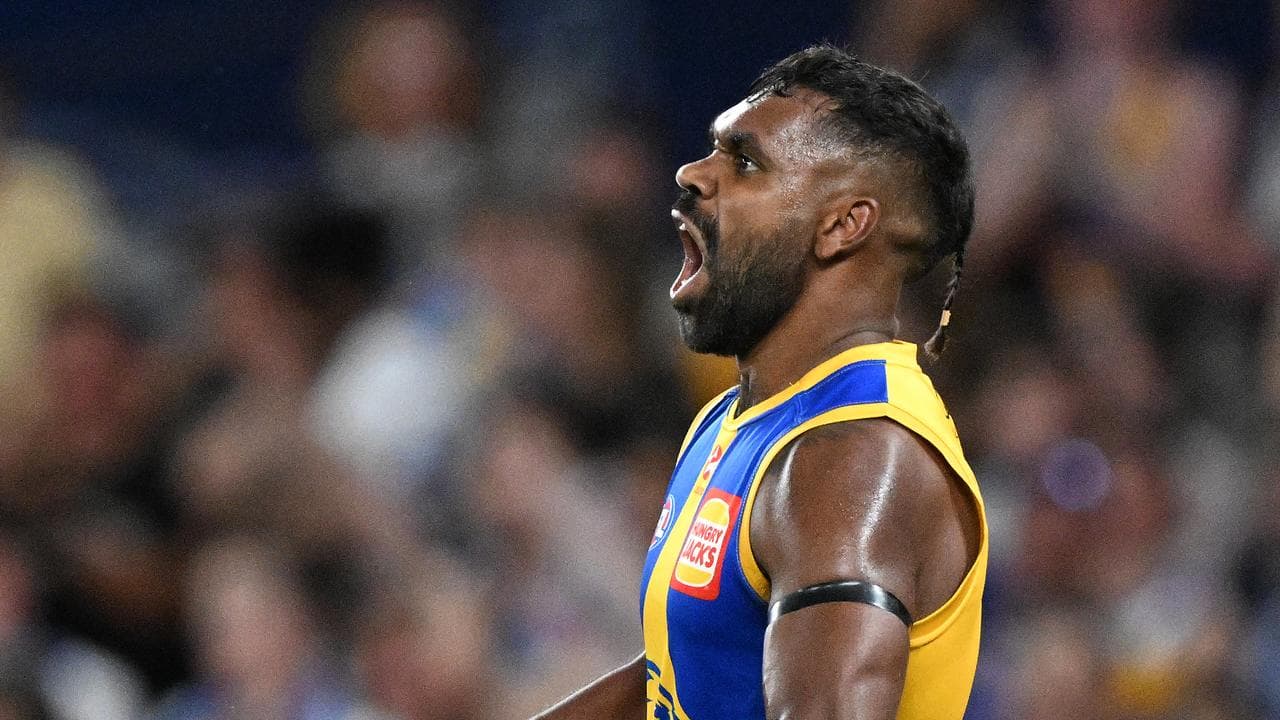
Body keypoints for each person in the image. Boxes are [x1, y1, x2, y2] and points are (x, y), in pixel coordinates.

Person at [532, 44, 986, 720]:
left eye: (744, 162)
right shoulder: (735, 416)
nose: (692, 173)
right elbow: (676, 673)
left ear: (842, 225)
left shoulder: (853, 456)